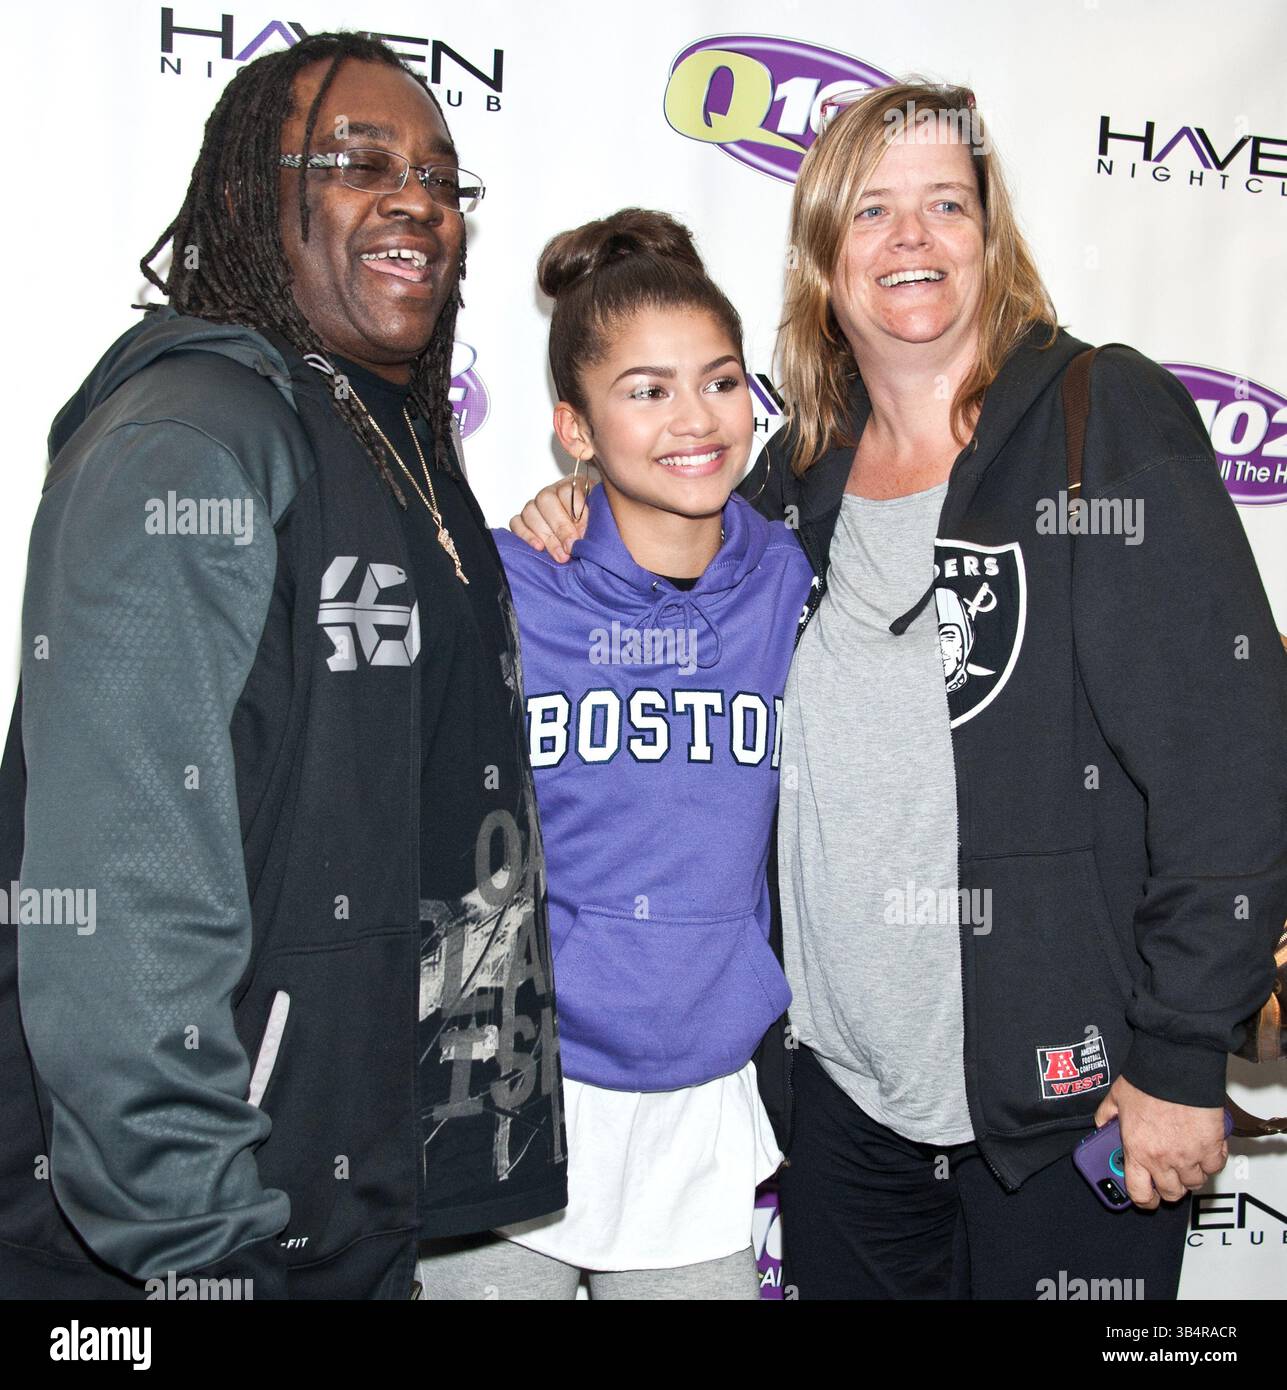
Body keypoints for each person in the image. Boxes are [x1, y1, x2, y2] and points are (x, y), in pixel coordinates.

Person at [510, 82, 1287, 1299]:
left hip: (1067, 1111)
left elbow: (1230, 751)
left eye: (946, 203)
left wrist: (1183, 1050)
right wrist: (573, 511)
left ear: (994, 235)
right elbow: (662, 559)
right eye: (872, 210)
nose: (912, 237)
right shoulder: (788, 482)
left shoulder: (1102, 416)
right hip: (841, 1114)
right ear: (825, 255)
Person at [0, 31, 565, 1300]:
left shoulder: (387, 440)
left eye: (438, 174)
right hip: (193, 1248)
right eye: (360, 162)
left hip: (340, 1204)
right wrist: (204, 1251)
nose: (415, 197)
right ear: (261, 197)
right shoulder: (190, 443)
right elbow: (123, 917)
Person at [416, 209, 812, 1299]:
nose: (695, 418)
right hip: (506, 1098)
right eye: (646, 390)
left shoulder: (790, 574)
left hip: (703, 1110)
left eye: (721, 381)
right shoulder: (505, 578)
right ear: (574, 429)